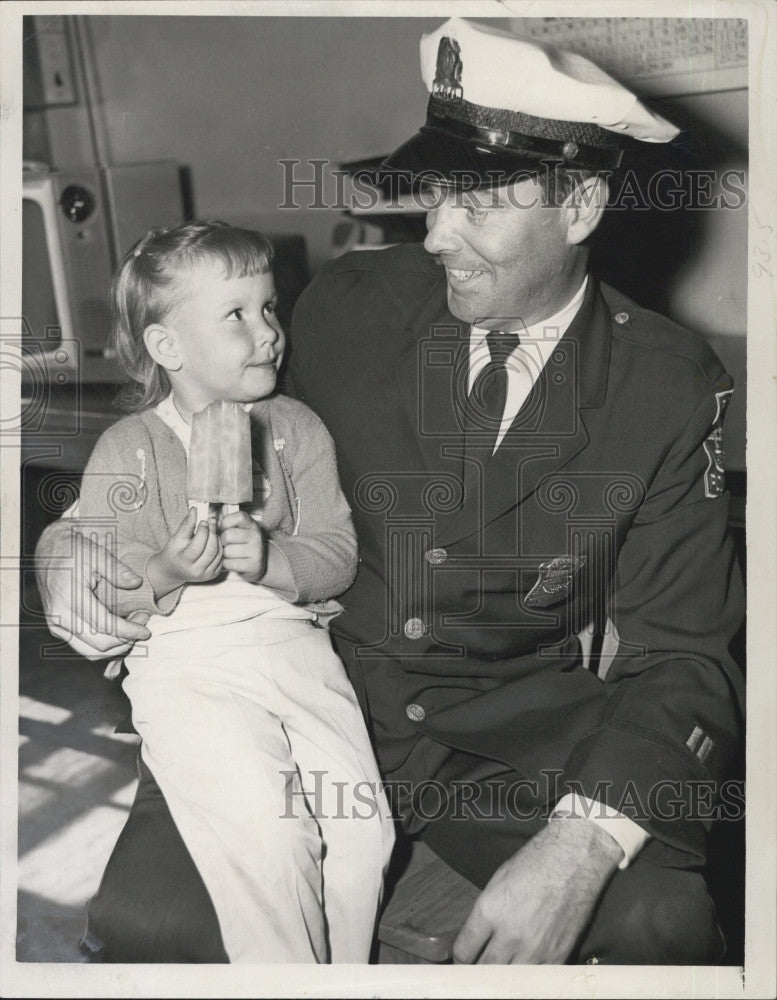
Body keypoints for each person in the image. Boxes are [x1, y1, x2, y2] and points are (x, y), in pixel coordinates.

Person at [37, 19, 744, 965]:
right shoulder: (351, 306)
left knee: (661, 930)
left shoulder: (665, 386)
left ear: (579, 205)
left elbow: (684, 660)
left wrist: (581, 842)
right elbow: (177, 439)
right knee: (152, 930)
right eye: (434, 196)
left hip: (500, 756)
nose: (435, 233)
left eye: (477, 203)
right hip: (295, 703)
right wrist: (70, 548)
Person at [62, 220, 394, 962]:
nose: (268, 332)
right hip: (183, 662)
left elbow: (336, 553)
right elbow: (108, 584)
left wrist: (274, 558)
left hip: (292, 642)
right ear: (167, 348)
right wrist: (167, 573)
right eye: (236, 315)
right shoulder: (129, 448)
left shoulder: (296, 429)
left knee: (363, 833)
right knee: (269, 842)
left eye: (269, 307)